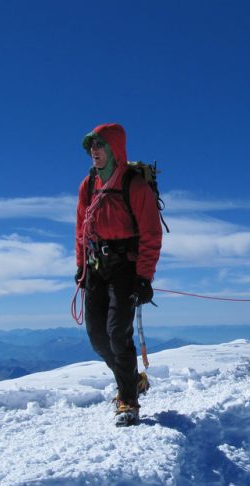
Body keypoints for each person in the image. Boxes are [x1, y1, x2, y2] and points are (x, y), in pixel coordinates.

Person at [75, 123, 163, 425]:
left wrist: (144, 277)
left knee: (117, 333)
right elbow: (80, 230)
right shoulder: (88, 186)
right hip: (96, 266)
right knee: (98, 337)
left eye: (99, 145)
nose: (93, 151)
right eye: (91, 146)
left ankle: (128, 400)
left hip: (126, 267)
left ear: (114, 148)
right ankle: (133, 379)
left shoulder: (134, 186)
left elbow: (151, 233)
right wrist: (80, 266)